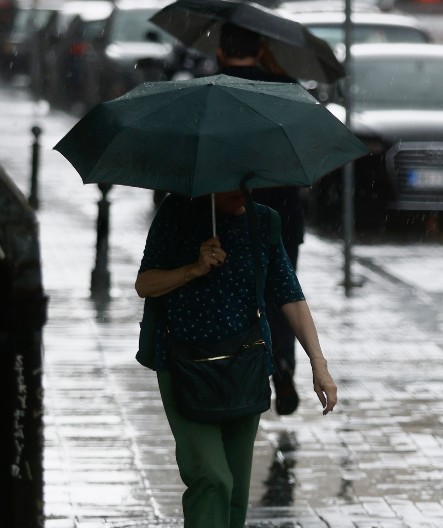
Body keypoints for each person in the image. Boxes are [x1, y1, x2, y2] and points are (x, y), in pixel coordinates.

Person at [135, 190, 337, 528]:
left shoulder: (264, 221)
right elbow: (145, 284)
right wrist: (194, 268)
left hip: (245, 366)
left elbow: (289, 294)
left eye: (246, 182)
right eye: (231, 184)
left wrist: (320, 364)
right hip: (184, 367)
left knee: (235, 493)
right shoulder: (177, 212)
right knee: (212, 479)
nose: (241, 192)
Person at [216, 22, 307, 416]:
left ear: (220, 50)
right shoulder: (283, 91)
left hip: (229, 212)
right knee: (281, 295)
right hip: (282, 214)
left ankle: (241, 371)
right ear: (260, 48)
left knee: (232, 298)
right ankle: (282, 364)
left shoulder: (211, 92)